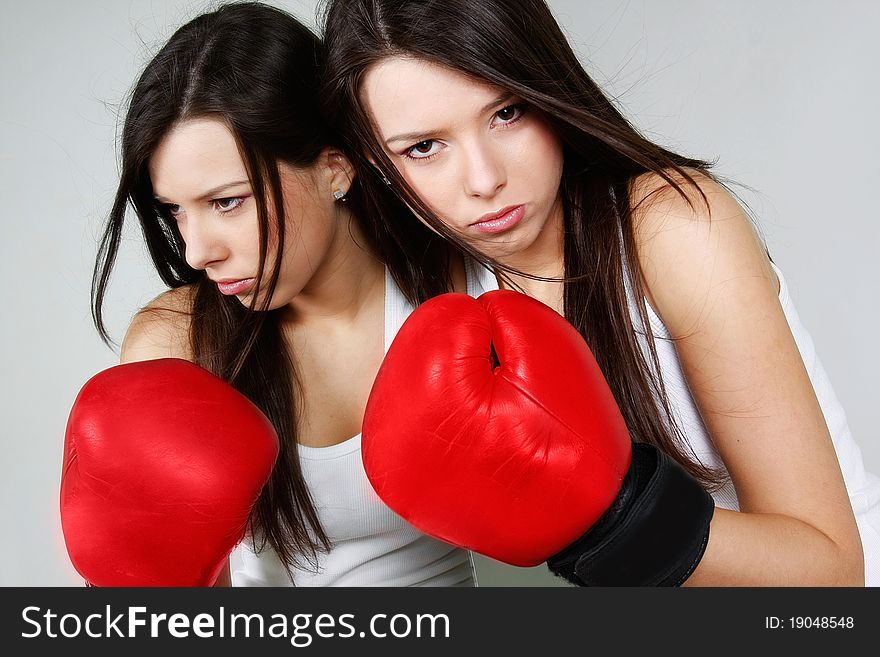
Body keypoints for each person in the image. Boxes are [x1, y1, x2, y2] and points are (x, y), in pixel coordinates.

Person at [320, 0, 880, 585]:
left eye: (507, 113)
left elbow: (830, 570)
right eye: (424, 148)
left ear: (549, 91)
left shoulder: (672, 227)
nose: (485, 180)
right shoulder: (443, 295)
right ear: (375, 165)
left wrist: (602, 517)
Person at [87, 1, 481, 587]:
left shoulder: (458, 294)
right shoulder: (178, 343)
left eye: (227, 202)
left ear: (335, 168)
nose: (197, 252)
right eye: (175, 210)